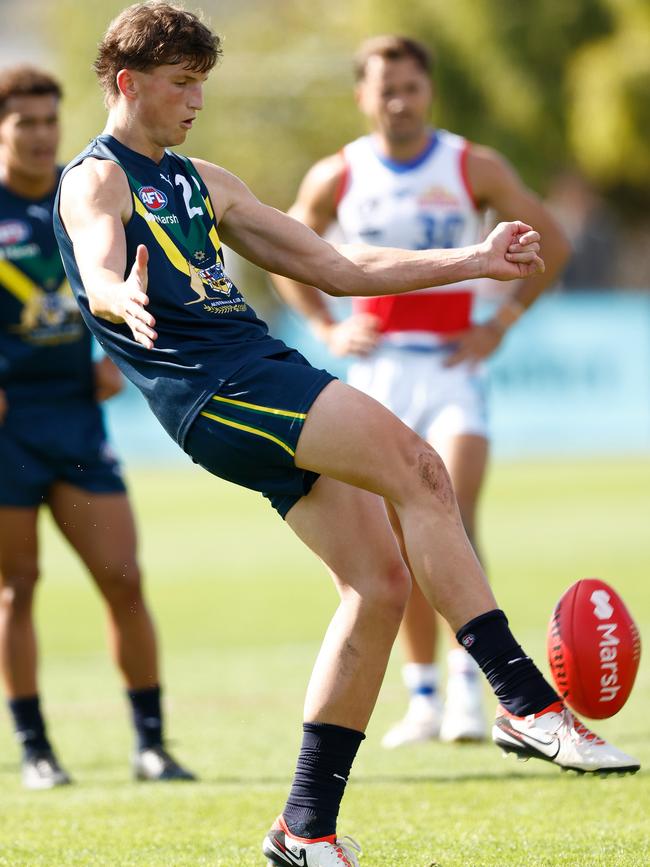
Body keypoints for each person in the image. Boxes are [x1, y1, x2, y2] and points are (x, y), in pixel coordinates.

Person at [53, 5, 638, 865]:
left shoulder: (203, 181)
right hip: (225, 385)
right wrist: (112, 294)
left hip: (251, 377)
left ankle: (305, 830)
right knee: (421, 468)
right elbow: (98, 255)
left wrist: (472, 261)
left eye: (202, 83)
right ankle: (525, 700)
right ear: (129, 82)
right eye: (182, 83)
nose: (197, 101)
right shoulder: (95, 178)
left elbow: (337, 266)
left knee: (379, 581)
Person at [272, 35, 572, 748]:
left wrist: (501, 320)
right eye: (385, 88)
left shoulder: (471, 164)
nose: (399, 101)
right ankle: (425, 696)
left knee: (451, 511)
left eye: (410, 86)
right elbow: (285, 245)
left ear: (428, 90)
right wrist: (323, 323)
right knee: (396, 532)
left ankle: (476, 692)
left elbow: (551, 240)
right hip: (377, 374)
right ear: (362, 96)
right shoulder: (339, 174)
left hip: (452, 368)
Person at [0, 64, 194, 789]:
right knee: (17, 586)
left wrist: (122, 352)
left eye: (51, 121)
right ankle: (37, 749)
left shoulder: (84, 189)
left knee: (124, 578)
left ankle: (151, 744)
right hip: (9, 430)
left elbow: (137, 275)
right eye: (27, 123)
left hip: (77, 420)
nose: (44, 135)